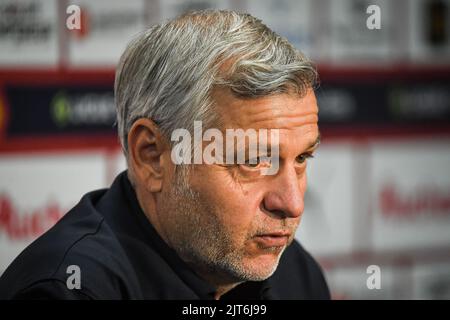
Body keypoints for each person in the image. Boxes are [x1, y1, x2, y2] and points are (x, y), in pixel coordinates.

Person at [0, 10, 329, 300]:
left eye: (302, 159)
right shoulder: (68, 289)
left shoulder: (296, 273)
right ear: (153, 157)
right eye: (254, 160)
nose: (292, 203)